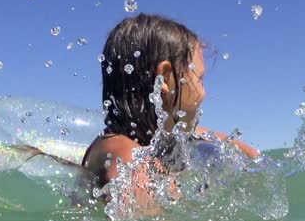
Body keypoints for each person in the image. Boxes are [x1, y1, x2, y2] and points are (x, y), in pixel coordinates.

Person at [81, 14, 259, 207]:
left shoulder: (162, 139)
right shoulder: (125, 155)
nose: (204, 92)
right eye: (199, 79)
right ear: (165, 78)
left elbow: (249, 154)